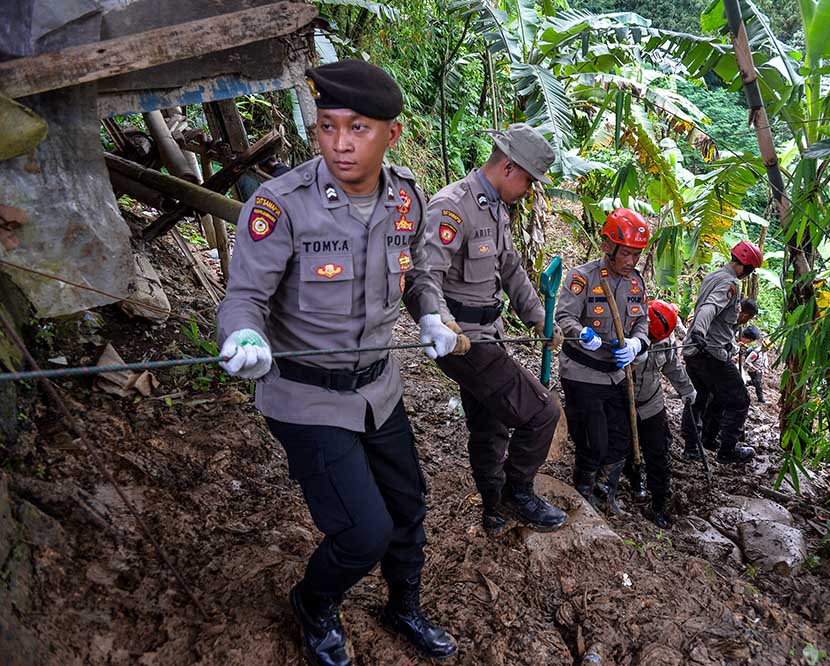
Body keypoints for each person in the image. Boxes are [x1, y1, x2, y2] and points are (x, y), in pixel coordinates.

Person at [215, 60, 459, 666]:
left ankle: (403, 605)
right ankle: (314, 602)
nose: (341, 144)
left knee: (408, 507)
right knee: (361, 533)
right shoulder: (282, 205)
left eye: (358, 128)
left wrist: (431, 312)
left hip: (379, 388)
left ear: (391, 134)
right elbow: (244, 296)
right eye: (327, 127)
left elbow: (418, 272)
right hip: (307, 396)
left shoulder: (405, 197)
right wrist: (244, 337)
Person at [406, 123, 567, 537]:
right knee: (542, 411)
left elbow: (511, 269)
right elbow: (423, 275)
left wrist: (538, 318)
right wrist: (439, 322)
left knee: (490, 423)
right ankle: (519, 492)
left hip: (489, 332)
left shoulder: (496, 207)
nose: (530, 190)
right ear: (510, 167)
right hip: (465, 341)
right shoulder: (452, 206)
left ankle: (493, 506)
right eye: (529, 181)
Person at [556, 207, 650, 514]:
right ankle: (583, 492)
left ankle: (606, 489)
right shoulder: (582, 278)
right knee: (592, 439)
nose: (631, 262)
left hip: (617, 374)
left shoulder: (636, 283)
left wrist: (637, 343)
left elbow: (642, 322)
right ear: (608, 246)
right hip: (582, 372)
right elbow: (564, 316)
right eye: (626, 254)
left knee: (622, 436)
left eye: (636, 255)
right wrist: (581, 332)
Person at [681, 242, 763, 465]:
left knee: (699, 397)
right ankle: (727, 451)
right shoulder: (730, 283)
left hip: (694, 351)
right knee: (739, 400)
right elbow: (709, 307)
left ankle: (695, 446)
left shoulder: (713, 276)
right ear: (746, 267)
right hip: (710, 353)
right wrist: (699, 330)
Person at [629, 300, 697, 527]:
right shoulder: (625, 329)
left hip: (651, 402)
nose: (655, 341)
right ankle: (632, 482)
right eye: (652, 337)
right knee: (622, 447)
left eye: (658, 338)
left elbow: (672, 366)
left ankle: (658, 504)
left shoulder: (666, 338)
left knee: (659, 452)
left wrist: (687, 390)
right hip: (621, 401)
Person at [740, 324, 767, 403]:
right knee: (758, 385)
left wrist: (765, 367)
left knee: (756, 382)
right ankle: (761, 399)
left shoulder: (763, 352)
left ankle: (748, 383)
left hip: (758, 370)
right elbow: (747, 362)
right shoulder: (756, 353)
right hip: (753, 371)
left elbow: (764, 360)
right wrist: (755, 368)